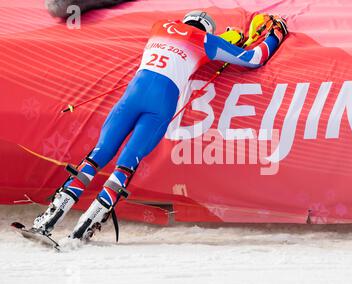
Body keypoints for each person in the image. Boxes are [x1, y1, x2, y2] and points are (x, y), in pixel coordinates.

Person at [32, 11, 288, 241]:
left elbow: (184, 38)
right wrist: (276, 34)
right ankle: (85, 227)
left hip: (132, 96)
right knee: (125, 165)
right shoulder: (207, 41)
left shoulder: (160, 26)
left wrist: (223, 38)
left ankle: (49, 218)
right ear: (208, 30)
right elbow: (255, 58)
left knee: (97, 156)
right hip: (162, 103)